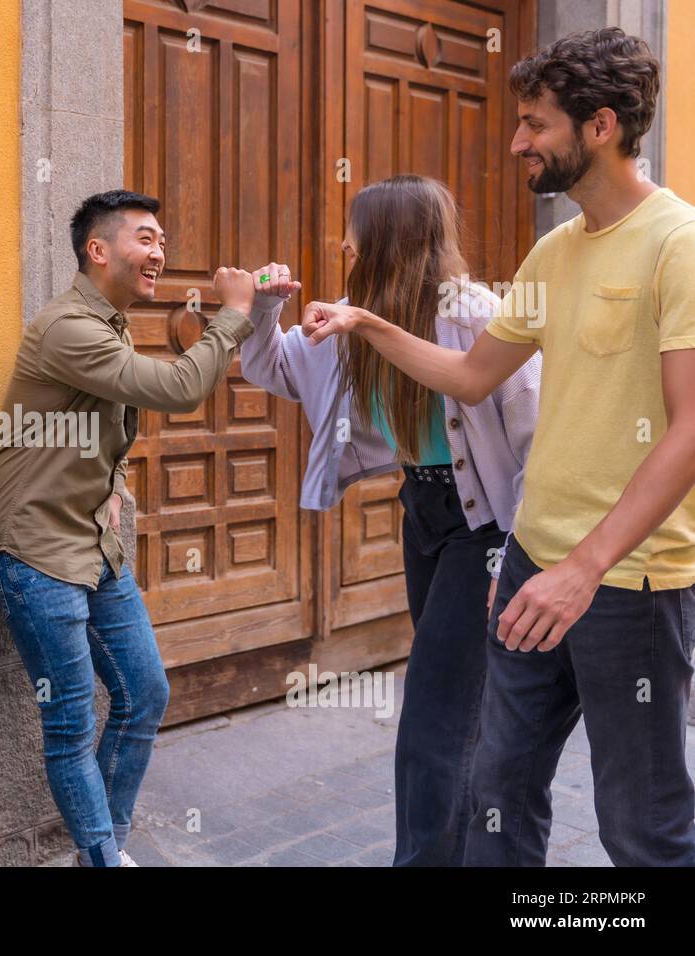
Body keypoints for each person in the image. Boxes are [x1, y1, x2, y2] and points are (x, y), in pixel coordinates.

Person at [303, 29, 695, 865]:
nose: (516, 141)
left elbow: (691, 428)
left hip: (628, 584)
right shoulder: (554, 251)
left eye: (534, 124)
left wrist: (581, 569)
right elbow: (473, 375)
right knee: (492, 796)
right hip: (528, 570)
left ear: (598, 126)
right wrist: (370, 322)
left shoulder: (679, 244)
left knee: (642, 827)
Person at [239, 175, 540, 865]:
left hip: (487, 527)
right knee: (458, 710)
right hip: (424, 514)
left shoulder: (476, 313)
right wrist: (261, 309)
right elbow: (277, 370)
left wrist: (521, 555)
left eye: (355, 230)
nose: (343, 242)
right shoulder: (357, 312)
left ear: (390, 238)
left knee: (433, 721)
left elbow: (536, 438)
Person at [0, 188, 259, 866]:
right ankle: (104, 857)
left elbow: (103, 424)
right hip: (37, 552)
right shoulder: (68, 327)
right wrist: (236, 316)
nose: (159, 251)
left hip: (90, 545)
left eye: (162, 239)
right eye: (145, 238)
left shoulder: (108, 323)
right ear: (97, 250)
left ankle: (102, 850)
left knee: (145, 693)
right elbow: (175, 391)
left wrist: (115, 486)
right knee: (71, 725)